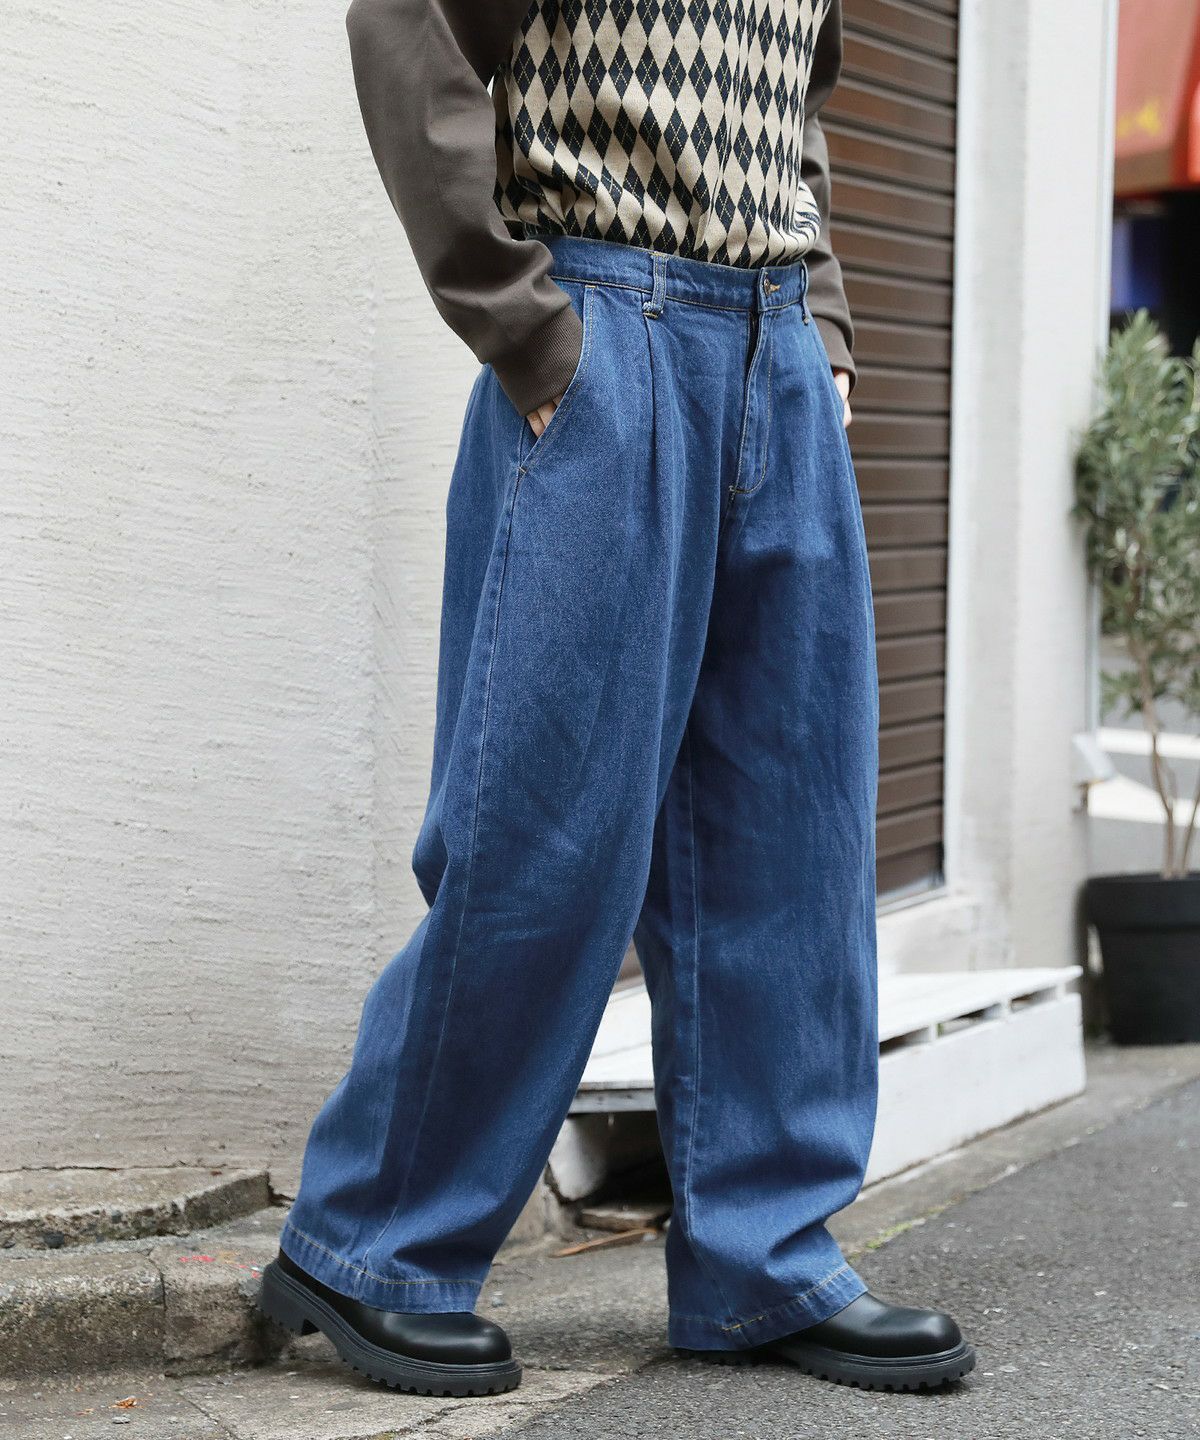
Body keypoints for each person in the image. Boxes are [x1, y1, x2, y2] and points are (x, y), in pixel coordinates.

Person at [258, 0, 975, 1396]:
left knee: (789, 832)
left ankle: (766, 1258)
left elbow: (792, 105)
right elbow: (409, 27)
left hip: (775, 351)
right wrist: (527, 326)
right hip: (608, 332)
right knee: (547, 831)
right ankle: (371, 1243)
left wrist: (822, 327)